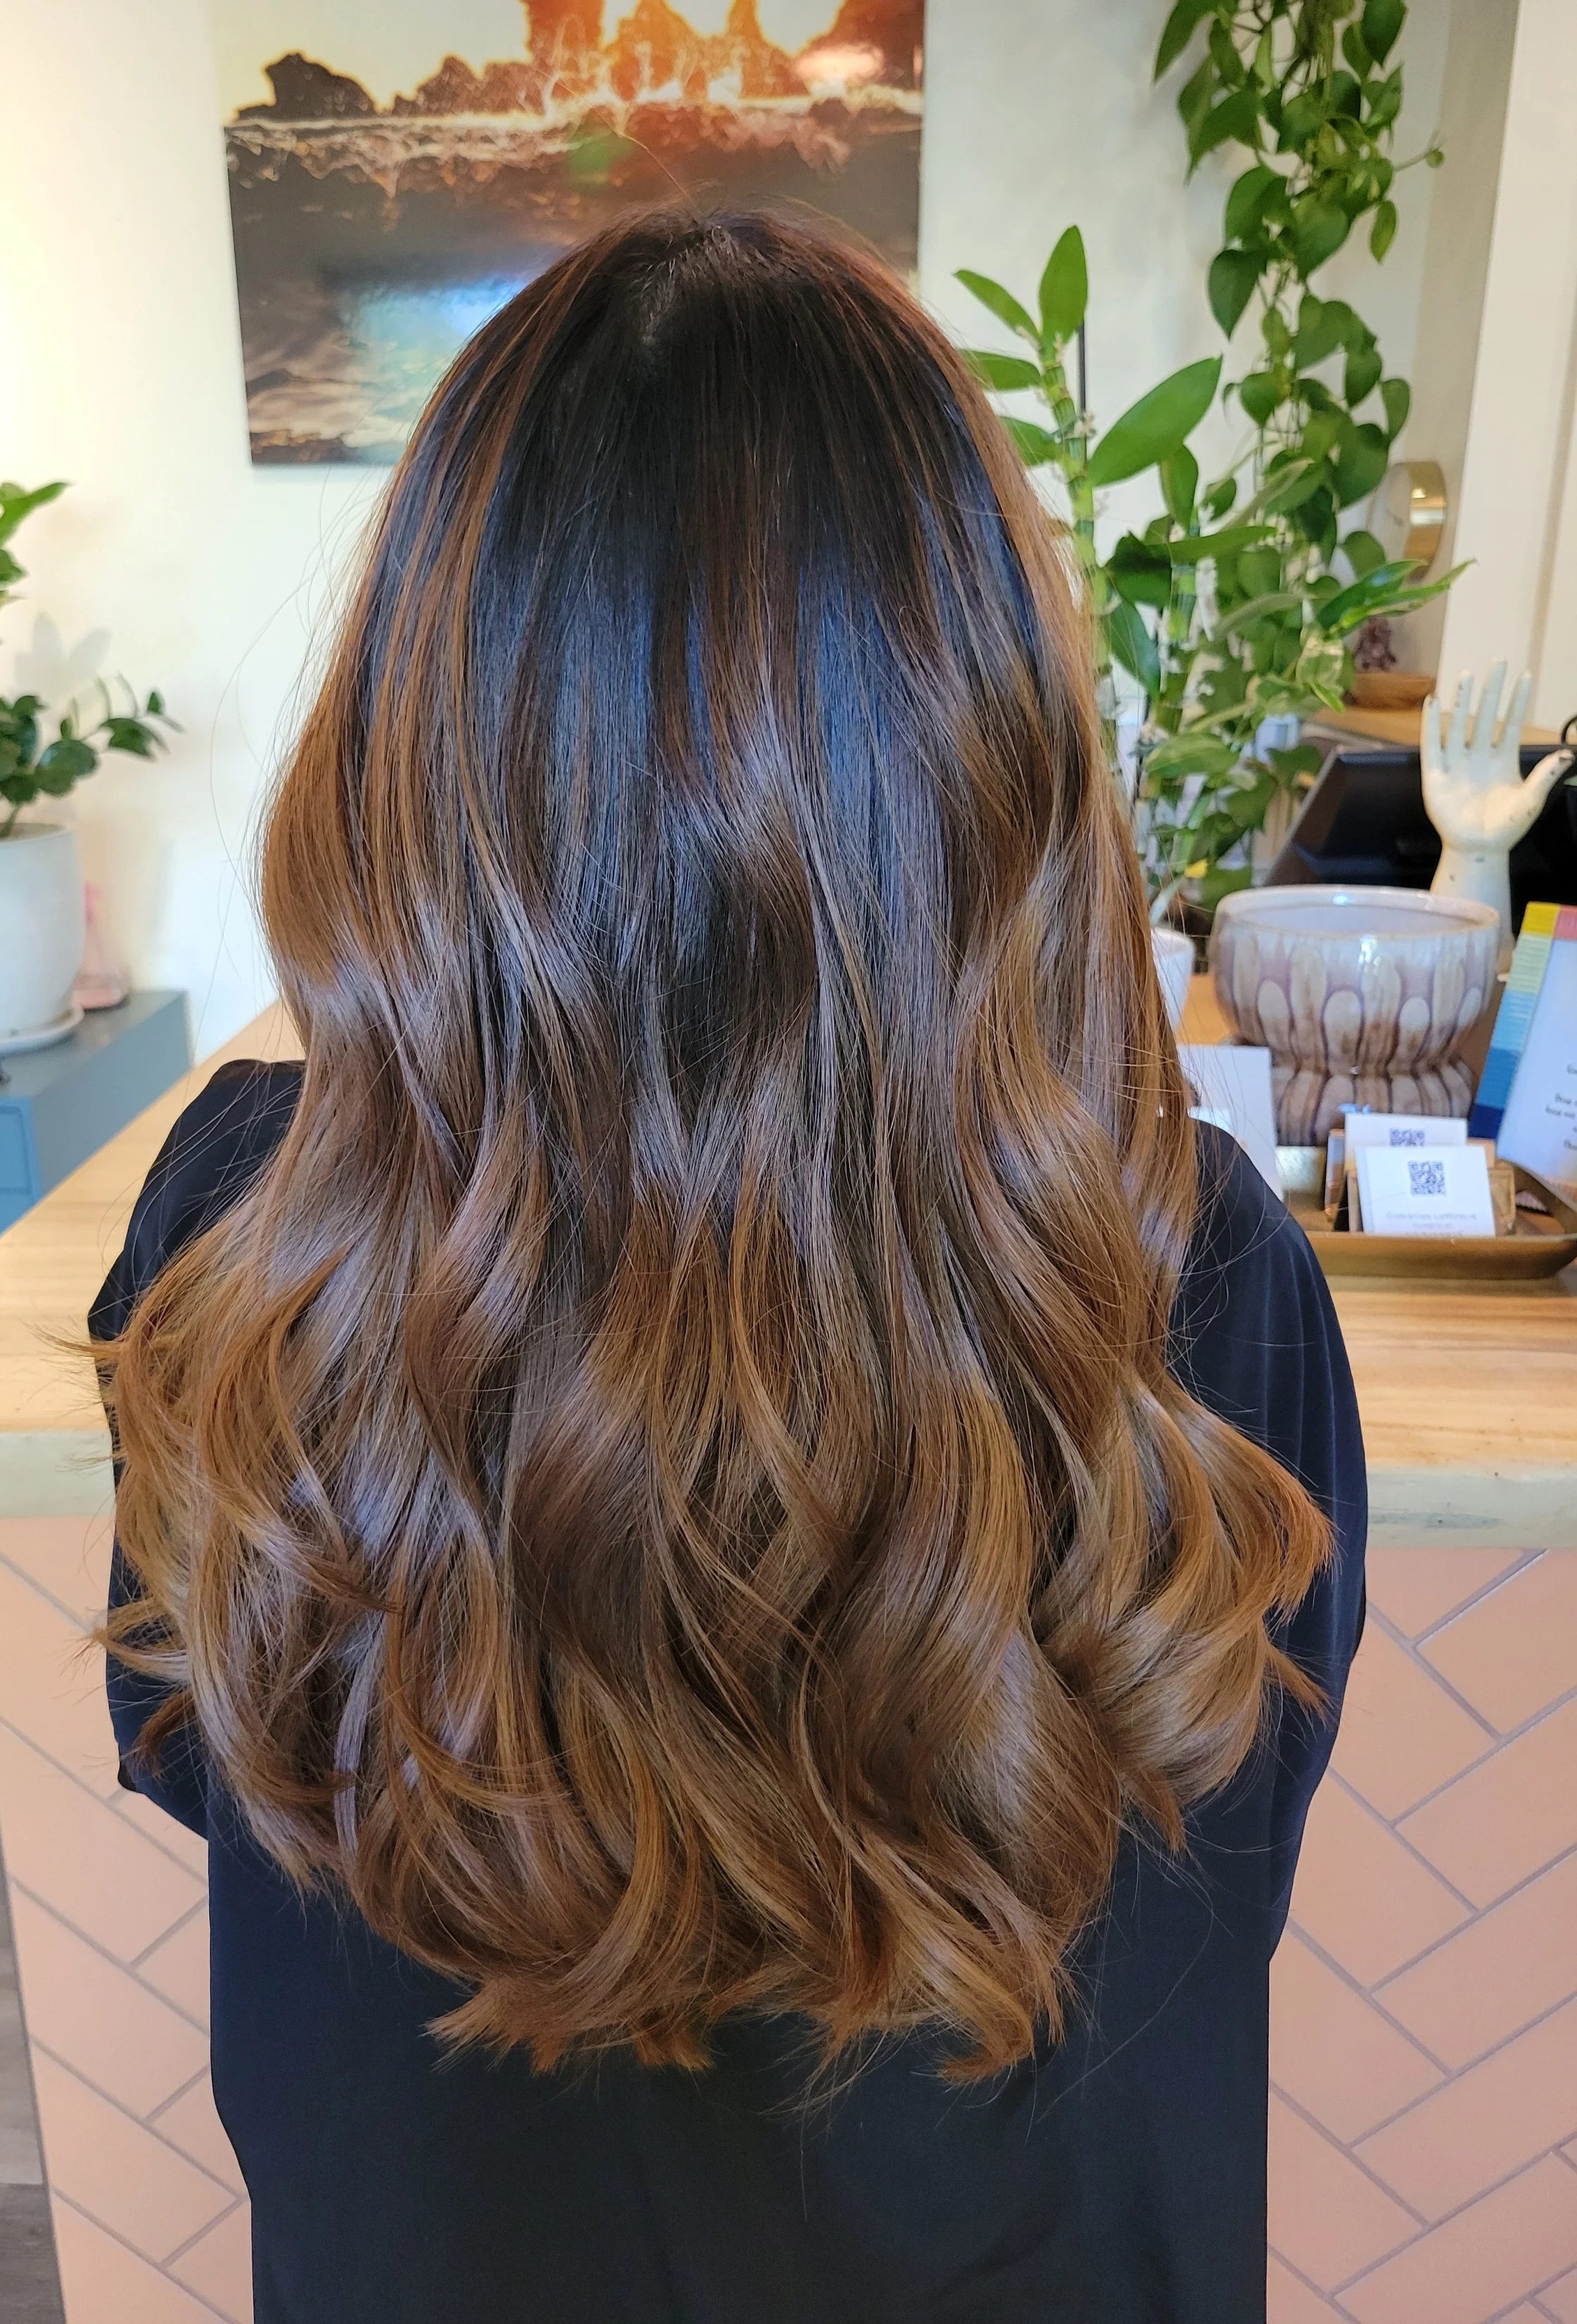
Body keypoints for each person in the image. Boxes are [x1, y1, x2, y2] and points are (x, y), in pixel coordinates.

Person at [92, 209, 1365, 2324]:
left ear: (414, 723)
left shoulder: (250, 1241)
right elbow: (1217, 1823)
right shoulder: (1189, 1272)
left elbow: (204, 1751)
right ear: (987, 743)